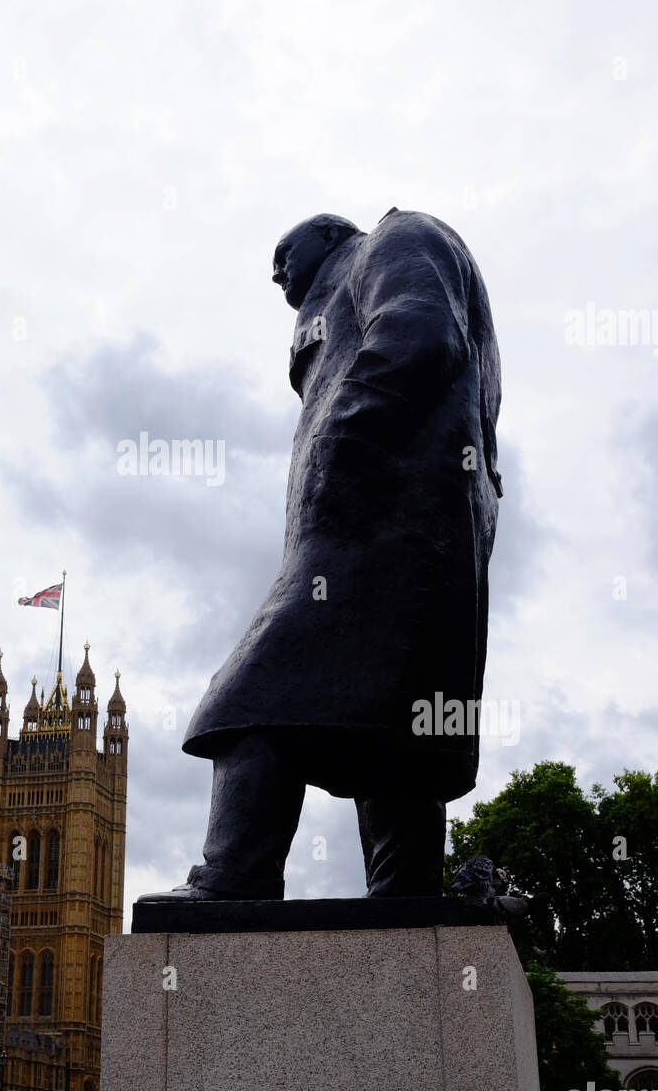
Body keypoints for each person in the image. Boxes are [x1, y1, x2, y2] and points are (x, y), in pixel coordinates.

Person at [139, 208, 503, 903]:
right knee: (400, 720)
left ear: (332, 236)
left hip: (378, 519)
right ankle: (408, 894)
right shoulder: (342, 292)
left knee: (250, 702)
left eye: (285, 249)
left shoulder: (395, 240)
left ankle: (236, 875)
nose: (275, 268)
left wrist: (340, 442)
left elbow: (419, 337)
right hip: (415, 529)